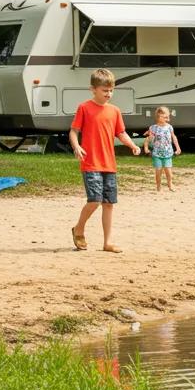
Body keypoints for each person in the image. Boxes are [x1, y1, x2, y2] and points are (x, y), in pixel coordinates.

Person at [69, 68, 141, 253]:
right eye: (104, 90)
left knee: (108, 204)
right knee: (94, 200)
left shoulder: (115, 111)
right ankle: (79, 228)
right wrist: (76, 146)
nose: (109, 94)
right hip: (91, 163)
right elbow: (74, 131)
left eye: (111, 90)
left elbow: (121, 133)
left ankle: (107, 242)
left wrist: (132, 145)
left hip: (109, 164)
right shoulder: (84, 108)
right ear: (93, 89)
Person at [143, 105, 181, 192]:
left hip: (167, 153)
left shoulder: (169, 127)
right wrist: (146, 147)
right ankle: (158, 186)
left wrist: (178, 147)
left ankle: (170, 184)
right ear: (158, 116)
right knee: (158, 171)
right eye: (165, 117)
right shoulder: (153, 128)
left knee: (168, 170)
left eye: (168, 117)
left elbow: (174, 137)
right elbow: (148, 139)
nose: (168, 119)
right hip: (157, 153)